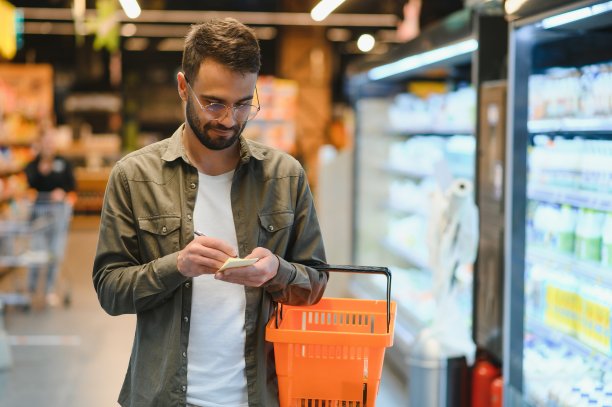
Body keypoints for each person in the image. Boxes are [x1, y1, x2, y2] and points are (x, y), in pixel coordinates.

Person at [92, 18, 328, 407]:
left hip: (258, 396)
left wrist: (276, 271)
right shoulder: (134, 176)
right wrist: (177, 266)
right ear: (183, 86)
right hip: (162, 395)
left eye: (242, 104)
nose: (228, 119)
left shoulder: (285, 175)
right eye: (214, 102)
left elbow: (315, 282)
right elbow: (110, 290)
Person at [24, 126, 76, 306]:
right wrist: (39, 172)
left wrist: (63, 193)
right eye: (46, 141)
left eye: (52, 141)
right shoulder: (33, 165)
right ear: (40, 143)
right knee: (36, 253)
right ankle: (31, 290)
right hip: (38, 216)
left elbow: (71, 186)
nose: (49, 145)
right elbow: (29, 185)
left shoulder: (63, 163)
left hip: (58, 215)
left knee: (55, 253)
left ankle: (49, 290)